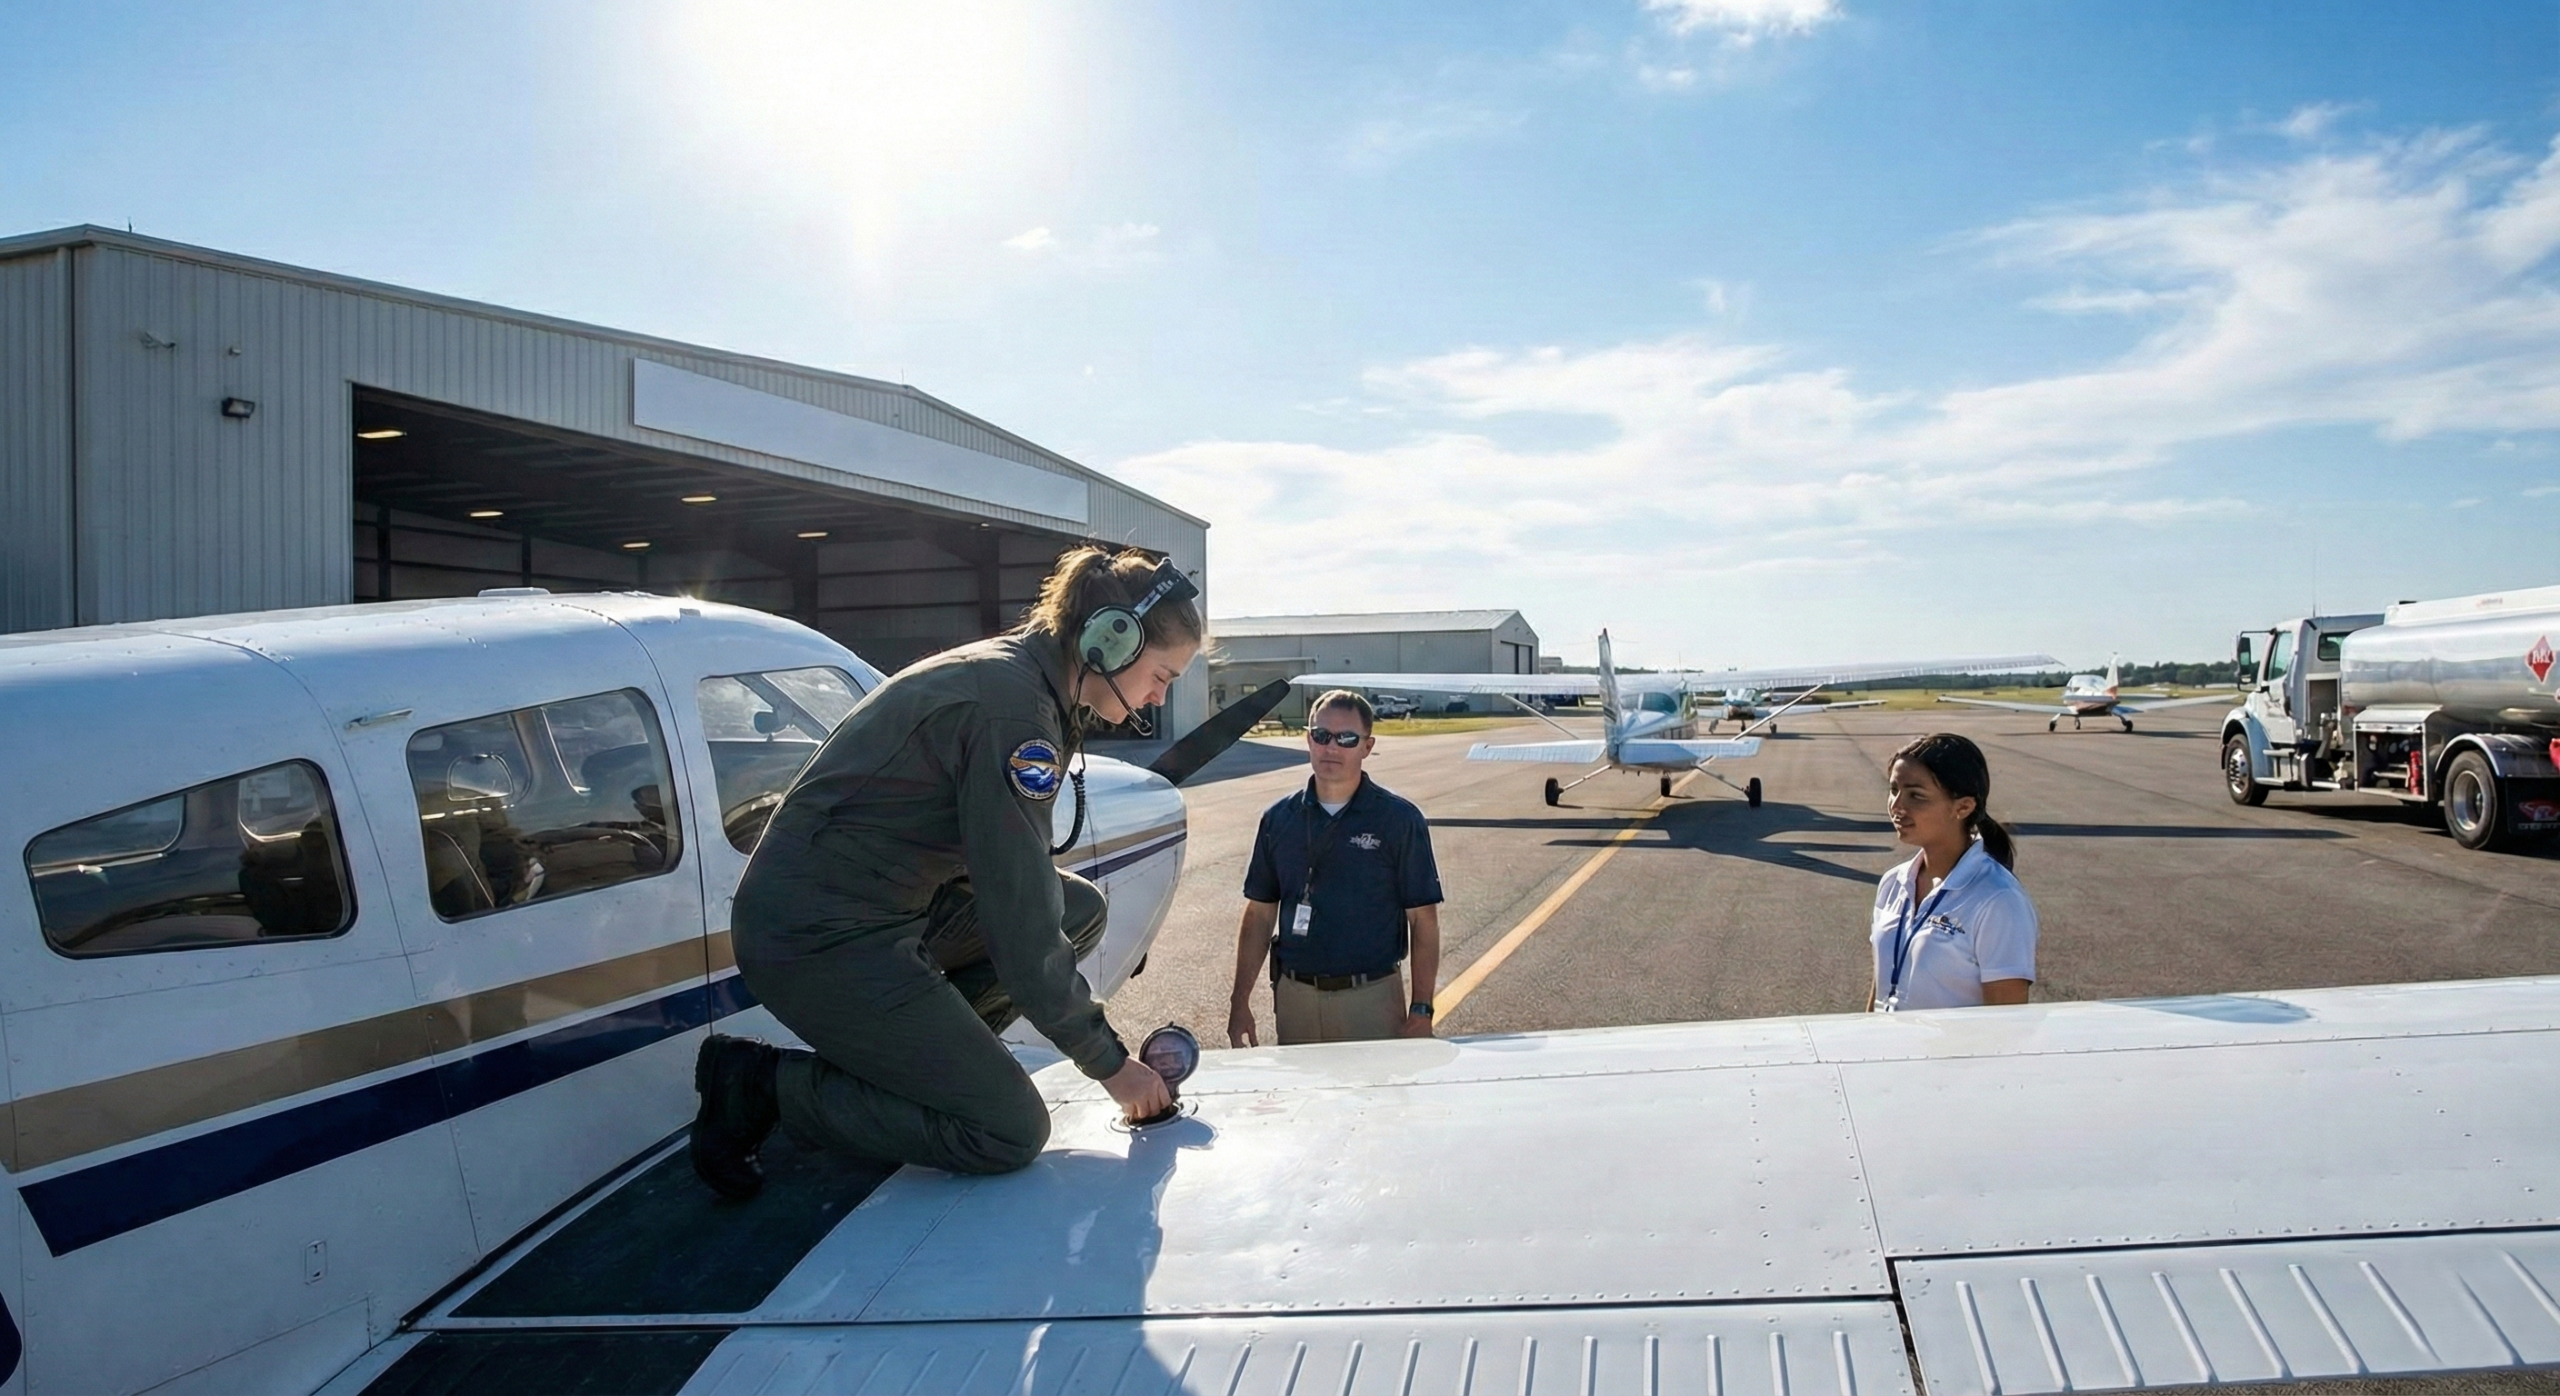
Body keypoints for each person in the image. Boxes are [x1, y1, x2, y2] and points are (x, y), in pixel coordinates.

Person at [690, 546, 1202, 1197]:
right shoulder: (1014, 717)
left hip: (875, 906)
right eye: (1162, 674)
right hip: (816, 937)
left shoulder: (1024, 679)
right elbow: (1019, 921)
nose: (1159, 696)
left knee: (1079, 912)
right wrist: (1110, 1065)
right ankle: (761, 1088)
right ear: (1111, 639)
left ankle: (923, 1070)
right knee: (1006, 1130)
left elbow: (1028, 899)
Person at [1227, 690, 1444, 1046]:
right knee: (1304, 1100)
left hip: (1371, 999)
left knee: (1374, 1100)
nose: (1331, 748)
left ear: (1367, 746)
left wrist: (1422, 1009)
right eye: (1321, 735)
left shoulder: (1399, 820)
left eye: (1346, 739)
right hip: (1296, 998)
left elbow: (1423, 920)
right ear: (1308, 739)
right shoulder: (1278, 819)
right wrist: (1240, 1003)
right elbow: (1260, 915)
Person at [1869, 732, 2037, 1012]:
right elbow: (1880, 989)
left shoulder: (1998, 899)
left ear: (1963, 807)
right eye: (1894, 789)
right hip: (1886, 1053)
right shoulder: (1892, 883)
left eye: (1916, 796)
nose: (1897, 806)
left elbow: (2007, 1022)